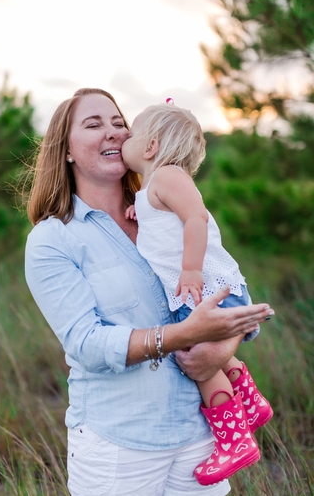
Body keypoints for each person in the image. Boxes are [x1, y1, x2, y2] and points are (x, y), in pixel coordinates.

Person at [24, 88, 274, 496]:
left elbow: (222, 292)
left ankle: (243, 399)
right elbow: (87, 344)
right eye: (93, 124)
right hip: (120, 444)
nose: (113, 133)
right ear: (65, 150)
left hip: (198, 434)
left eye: (120, 123)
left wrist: (223, 346)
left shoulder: (162, 211)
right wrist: (183, 338)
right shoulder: (53, 240)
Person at [121, 100, 273, 485]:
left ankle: (235, 443)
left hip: (206, 288)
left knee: (200, 367)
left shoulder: (168, 176)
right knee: (206, 358)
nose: (124, 138)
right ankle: (250, 403)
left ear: (150, 146)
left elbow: (195, 218)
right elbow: (168, 221)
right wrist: (143, 213)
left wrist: (190, 269)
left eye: (131, 133)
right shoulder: (155, 188)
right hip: (198, 293)